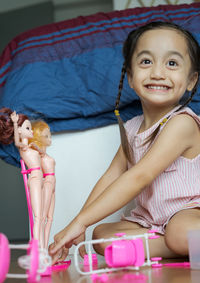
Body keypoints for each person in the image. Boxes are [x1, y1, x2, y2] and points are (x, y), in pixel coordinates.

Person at [49, 21, 200, 264]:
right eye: (146, 62)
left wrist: (80, 222)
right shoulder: (131, 128)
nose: (158, 73)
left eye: (172, 63)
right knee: (99, 236)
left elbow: (139, 176)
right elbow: (112, 176)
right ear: (130, 77)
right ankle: (169, 246)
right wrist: (80, 223)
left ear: (191, 80)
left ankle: (171, 245)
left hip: (189, 213)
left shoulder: (182, 123)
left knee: (180, 230)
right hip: (150, 220)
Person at [0, 108, 43, 244]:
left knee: (41, 216)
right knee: (37, 217)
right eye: (28, 128)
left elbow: (43, 154)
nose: (31, 131)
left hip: (41, 177)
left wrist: (37, 146)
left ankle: (42, 247)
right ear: (18, 131)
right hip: (35, 178)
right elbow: (18, 142)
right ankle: (38, 248)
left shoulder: (30, 147)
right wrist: (14, 123)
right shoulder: (22, 147)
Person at [29, 121, 56, 250]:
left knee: (50, 218)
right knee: (43, 217)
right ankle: (40, 250)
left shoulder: (45, 155)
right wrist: (33, 145)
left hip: (52, 185)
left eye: (49, 135)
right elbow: (38, 152)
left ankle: (44, 249)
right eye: (46, 136)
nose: (49, 139)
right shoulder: (40, 155)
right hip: (48, 184)